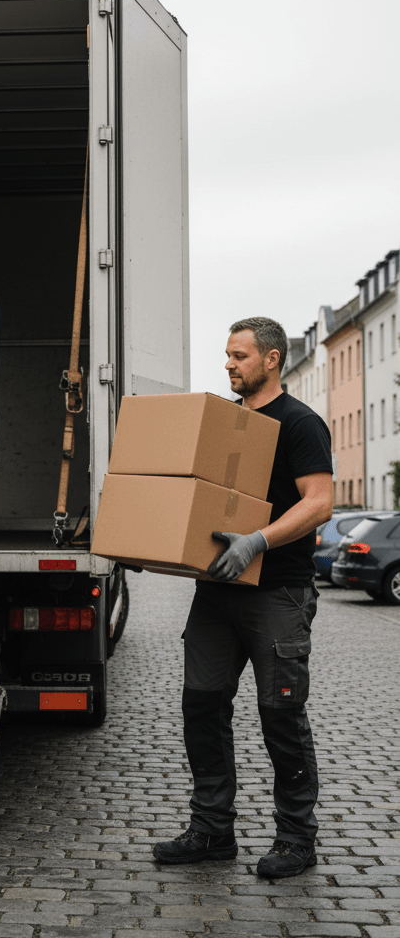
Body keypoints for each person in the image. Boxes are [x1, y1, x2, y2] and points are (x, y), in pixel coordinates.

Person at [153, 317, 333, 879]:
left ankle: (297, 839)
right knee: (201, 706)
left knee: (281, 713)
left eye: (239, 356)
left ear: (272, 359)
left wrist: (258, 539)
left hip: (278, 591)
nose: (228, 365)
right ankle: (212, 831)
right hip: (216, 591)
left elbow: (320, 501)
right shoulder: (226, 424)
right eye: (227, 356)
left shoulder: (300, 423)